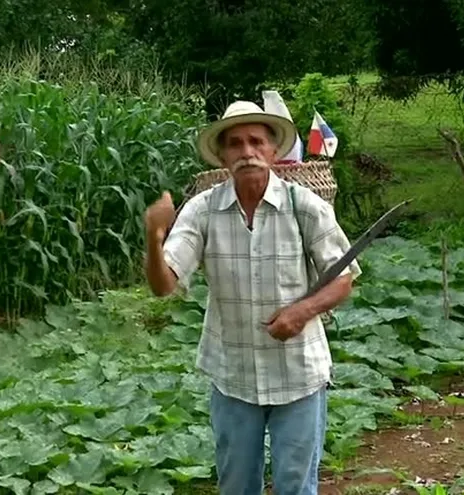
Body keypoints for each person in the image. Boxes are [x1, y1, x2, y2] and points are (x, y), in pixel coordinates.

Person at [143, 100, 362, 495]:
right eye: (236, 144)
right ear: (223, 156)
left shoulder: (304, 207)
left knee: (296, 485)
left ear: (273, 151)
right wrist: (154, 238)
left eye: (256, 142)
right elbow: (165, 286)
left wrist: (302, 311)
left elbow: (342, 278)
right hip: (233, 375)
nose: (247, 152)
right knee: (236, 485)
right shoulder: (202, 211)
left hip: (298, 373)